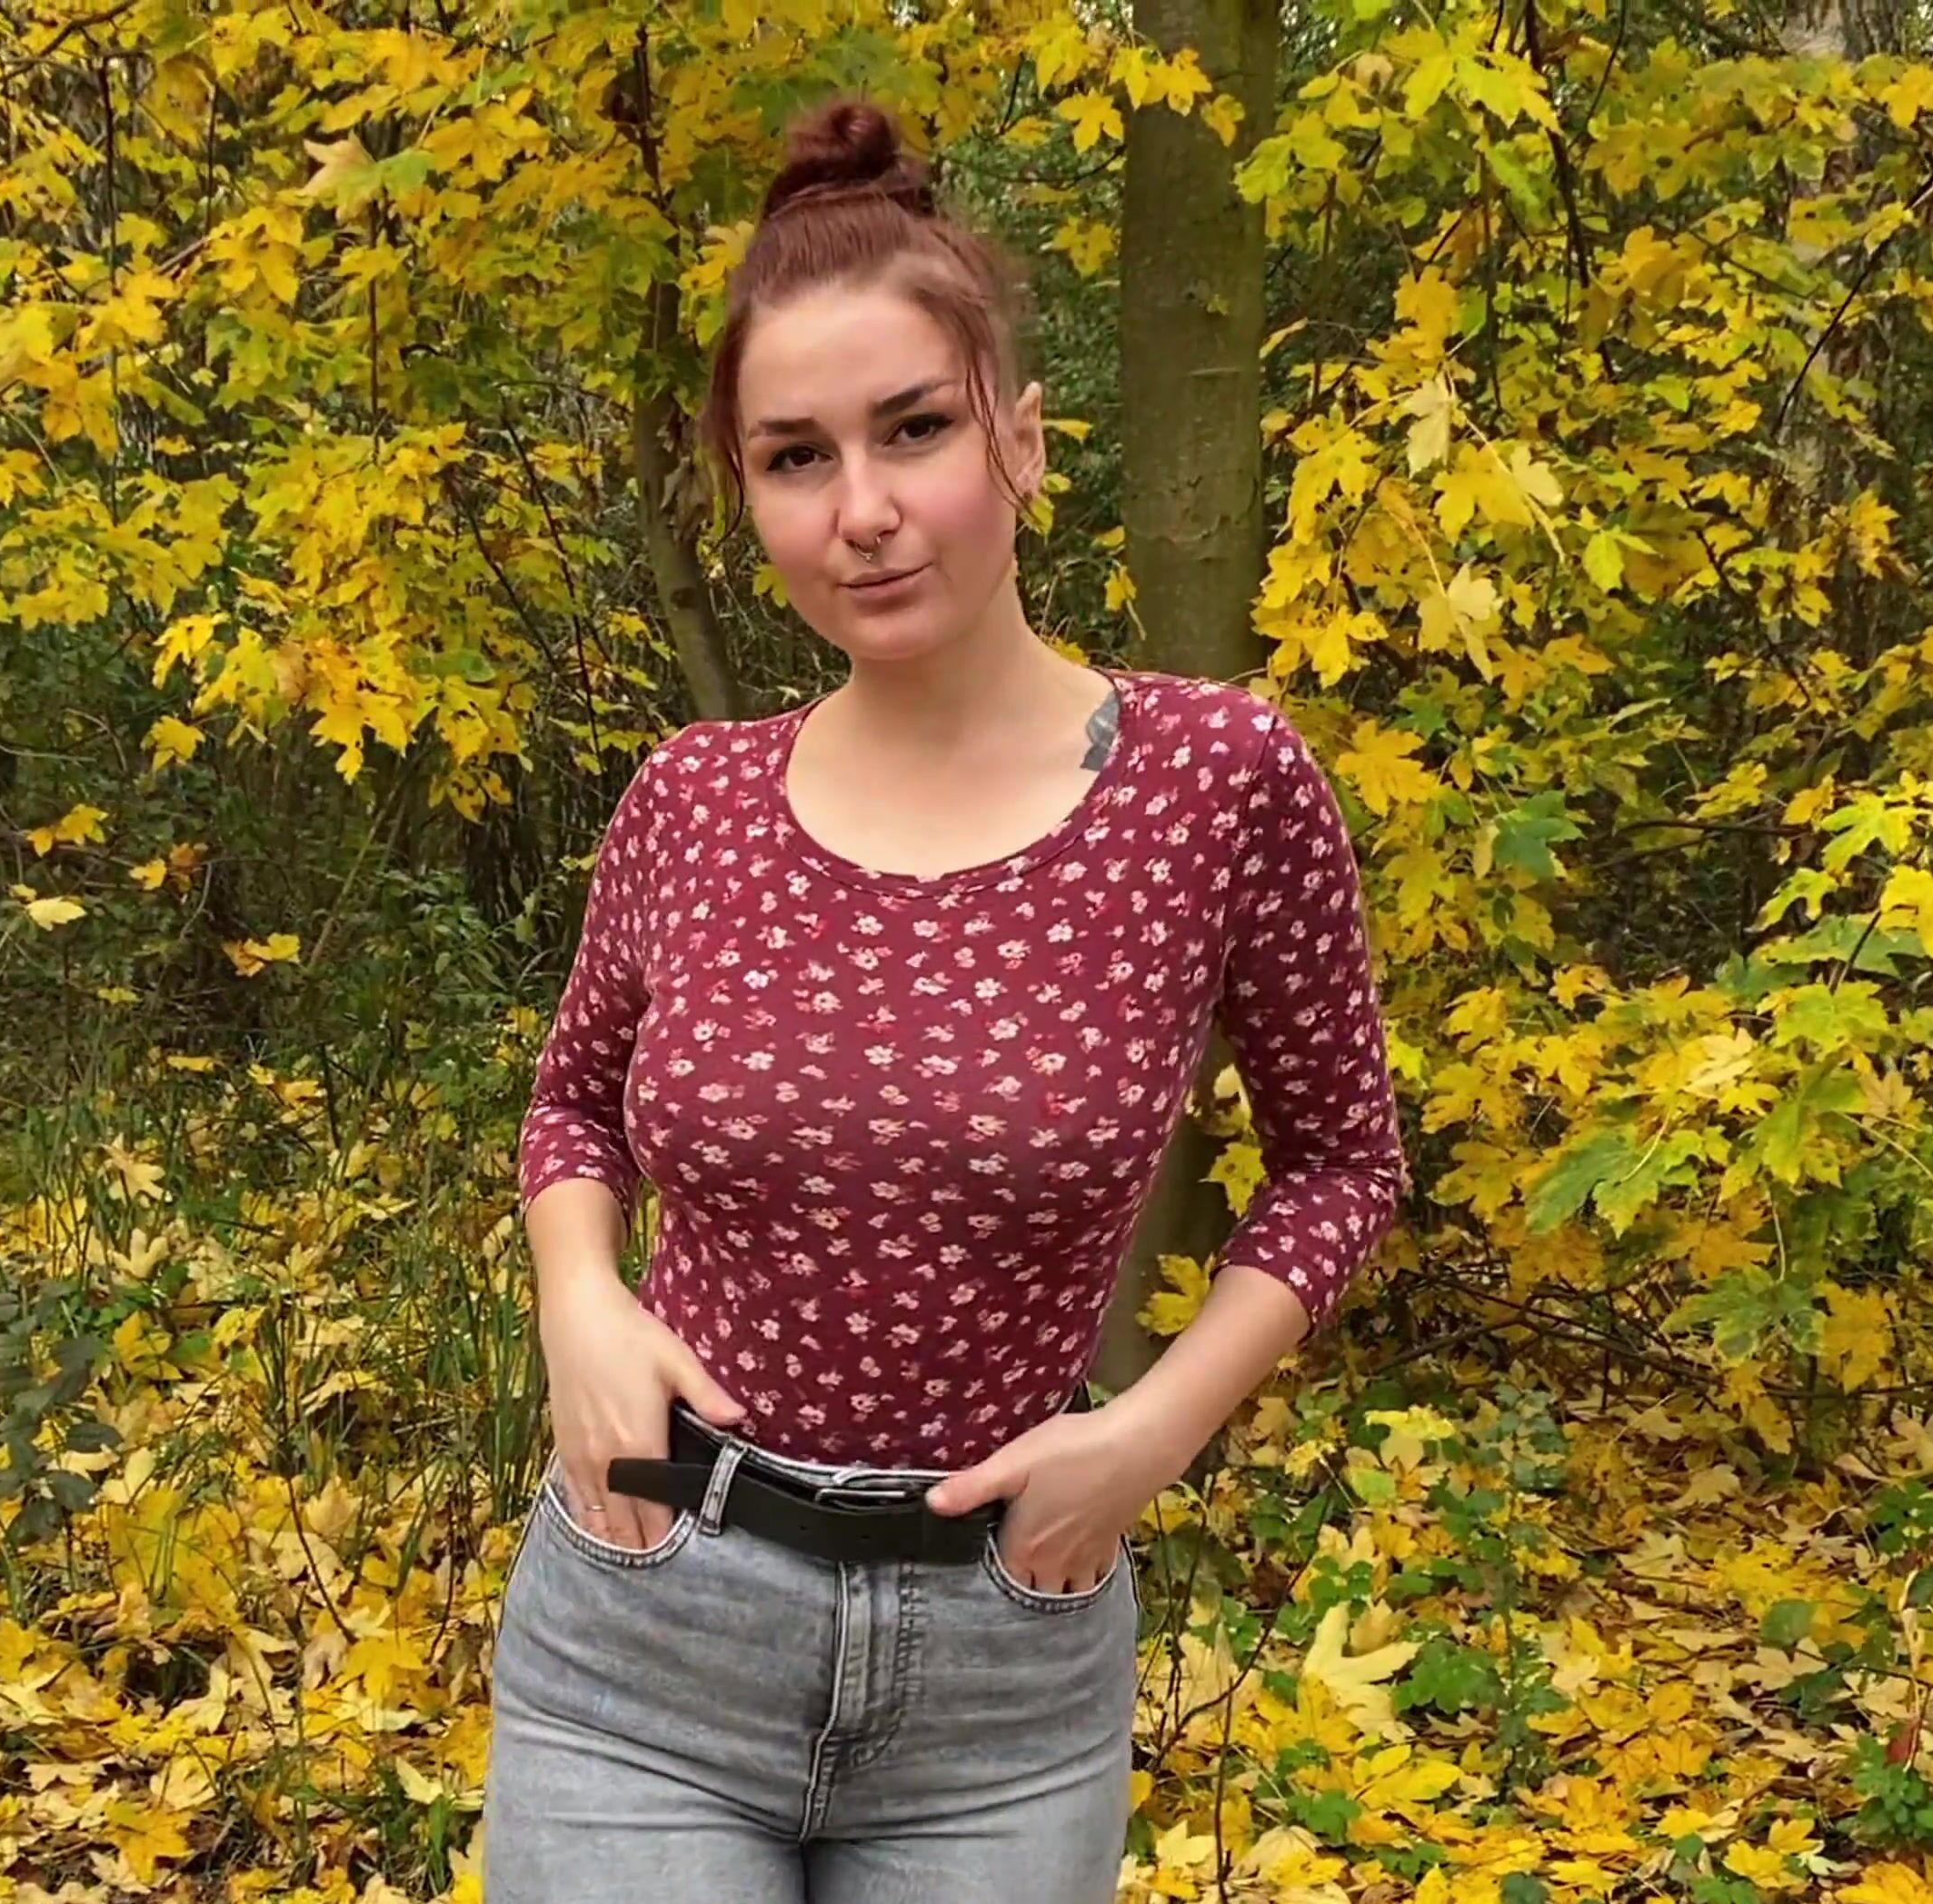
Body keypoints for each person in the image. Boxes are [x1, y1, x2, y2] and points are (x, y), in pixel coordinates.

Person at [478, 93, 1406, 1904]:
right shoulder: (693, 799)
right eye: (795, 457)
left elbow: (1341, 1166)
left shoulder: (1214, 783)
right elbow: (575, 1108)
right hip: (650, 1616)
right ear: (746, 494)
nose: (866, 511)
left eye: (916, 428)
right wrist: (577, 1298)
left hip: (1006, 1666)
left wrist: (1150, 1435)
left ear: (1023, 438)